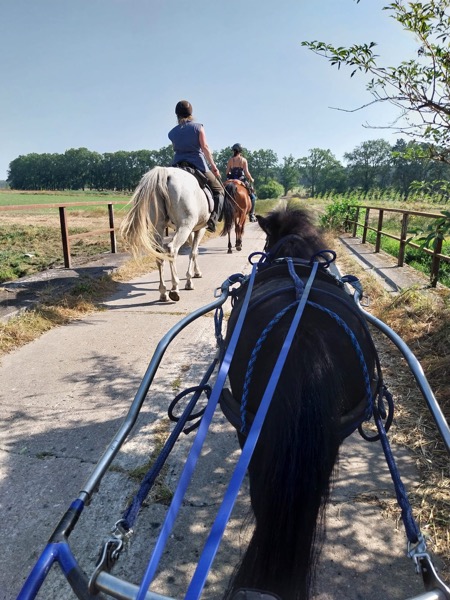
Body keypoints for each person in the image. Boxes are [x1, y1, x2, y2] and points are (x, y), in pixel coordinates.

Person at [168, 100, 223, 233]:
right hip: (197, 165)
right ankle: (212, 220)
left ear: (177, 115)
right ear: (191, 113)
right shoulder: (198, 127)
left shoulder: (171, 133)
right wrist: (214, 167)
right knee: (219, 190)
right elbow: (204, 147)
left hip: (177, 165)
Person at [226, 143, 257, 222]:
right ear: (240, 151)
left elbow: (227, 172)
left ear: (233, 151)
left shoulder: (230, 160)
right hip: (241, 180)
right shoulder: (243, 160)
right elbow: (246, 173)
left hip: (231, 179)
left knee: (222, 194)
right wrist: (251, 179)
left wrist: (231, 178)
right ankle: (252, 215)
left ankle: (219, 215)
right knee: (253, 197)